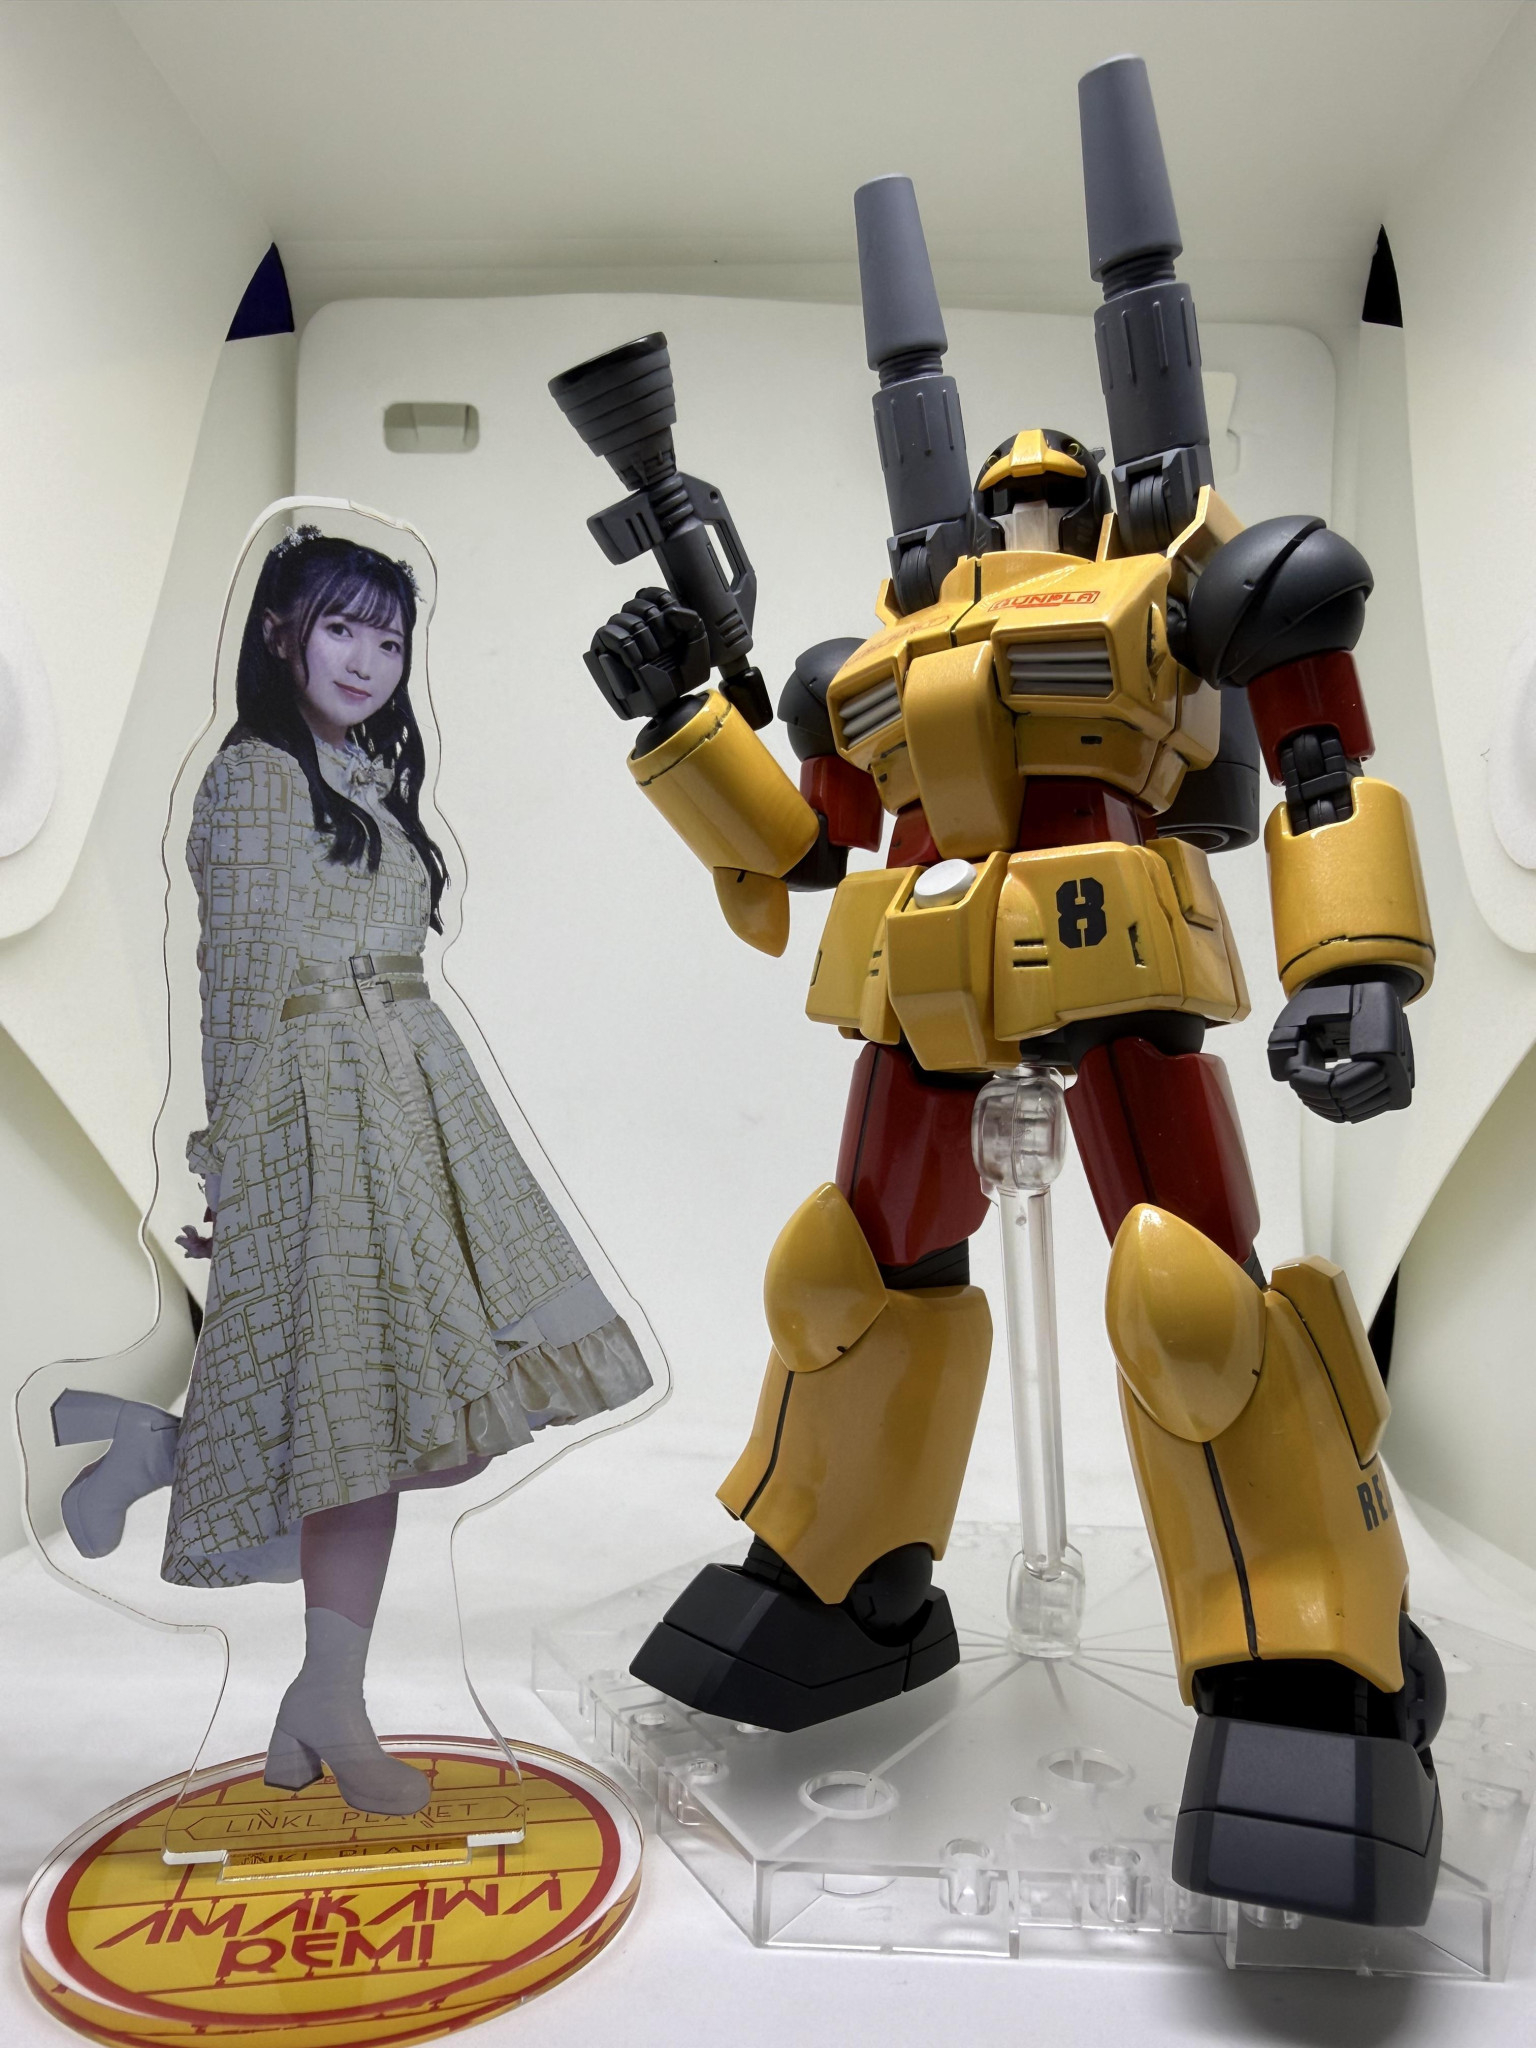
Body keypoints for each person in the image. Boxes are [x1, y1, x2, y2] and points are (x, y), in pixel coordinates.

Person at [51, 525, 650, 1814]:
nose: (369, 659)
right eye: (342, 628)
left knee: (395, 1416)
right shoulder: (256, 779)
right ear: (281, 634)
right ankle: (297, 1646)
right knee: (362, 1419)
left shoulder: (361, 772)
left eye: (388, 637)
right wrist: (233, 1166)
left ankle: (301, 1660)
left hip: (408, 1100)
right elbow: (235, 988)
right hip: (317, 1113)